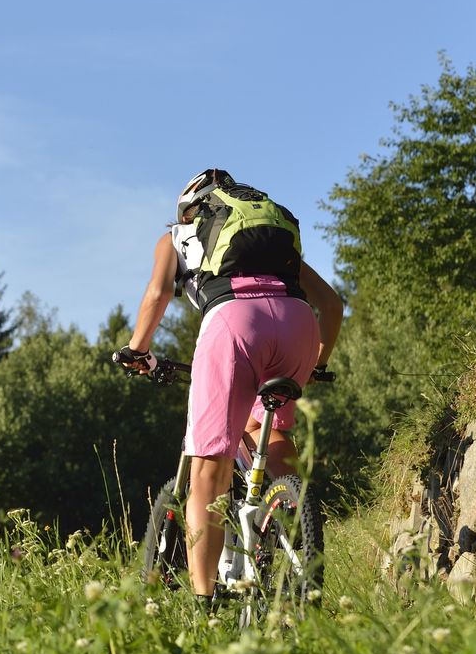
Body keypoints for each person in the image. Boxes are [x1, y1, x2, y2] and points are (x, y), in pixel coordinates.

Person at [114, 168, 342, 606]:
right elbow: (331, 303)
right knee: (268, 434)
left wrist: (137, 350)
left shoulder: (179, 236)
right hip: (297, 323)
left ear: (187, 210)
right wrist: (318, 362)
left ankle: (205, 602)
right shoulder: (273, 243)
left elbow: (158, 293)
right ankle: (293, 521)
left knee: (208, 467)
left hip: (235, 325)